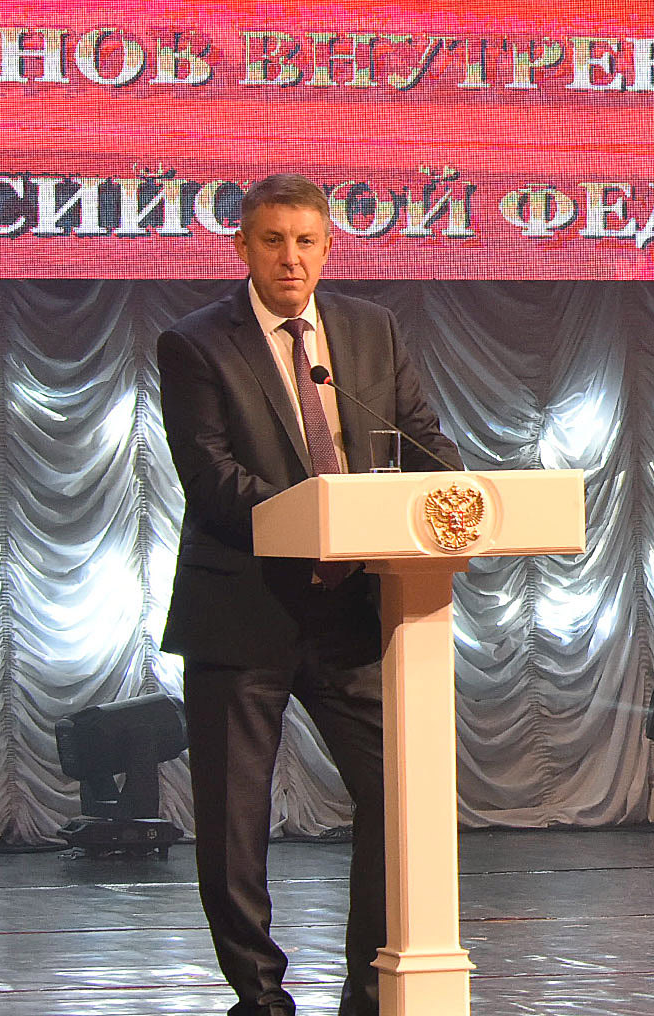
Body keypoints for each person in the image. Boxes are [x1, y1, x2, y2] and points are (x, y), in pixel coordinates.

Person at [157, 173, 461, 1016]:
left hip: (353, 614)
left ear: (329, 247)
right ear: (243, 246)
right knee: (235, 828)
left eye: (305, 241)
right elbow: (214, 481)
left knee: (400, 797)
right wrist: (325, 517)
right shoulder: (195, 344)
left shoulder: (370, 328)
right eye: (272, 241)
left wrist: (456, 498)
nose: (289, 258)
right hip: (242, 613)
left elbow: (421, 437)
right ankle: (260, 996)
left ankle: (368, 989)